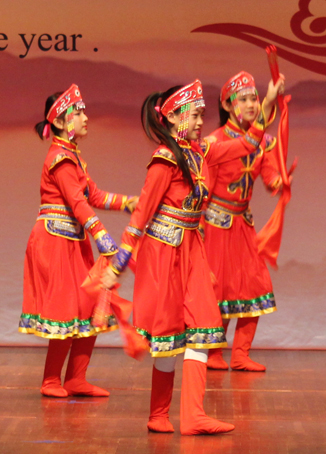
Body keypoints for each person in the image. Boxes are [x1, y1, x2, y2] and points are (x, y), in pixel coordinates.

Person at [101, 76, 284, 434]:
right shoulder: (165, 160)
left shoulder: (200, 152)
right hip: (164, 255)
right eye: (194, 115)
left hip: (193, 251)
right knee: (169, 338)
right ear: (171, 118)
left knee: (203, 326)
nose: (202, 122)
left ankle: (194, 416)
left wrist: (268, 103)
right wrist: (119, 263)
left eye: (202, 114)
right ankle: (158, 415)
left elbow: (247, 143)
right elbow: (141, 217)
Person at [19, 84, 138, 398]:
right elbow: (77, 202)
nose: (85, 117)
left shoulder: (72, 157)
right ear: (60, 122)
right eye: (78, 112)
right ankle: (50, 381)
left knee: (90, 306)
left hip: (71, 240)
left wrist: (130, 202)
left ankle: (75, 378)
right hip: (54, 242)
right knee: (66, 309)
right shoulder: (59, 158)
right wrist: (102, 236)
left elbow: (93, 195)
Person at [203, 71, 282, 372]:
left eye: (255, 98)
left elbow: (270, 177)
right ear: (226, 105)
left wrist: (280, 183)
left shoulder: (266, 143)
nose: (251, 104)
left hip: (243, 223)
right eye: (244, 99)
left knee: (255, 285)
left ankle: (240, 354)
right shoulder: (215, 143)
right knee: (217, 290)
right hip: (215, 224)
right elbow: (204, 190)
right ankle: (213, 352)